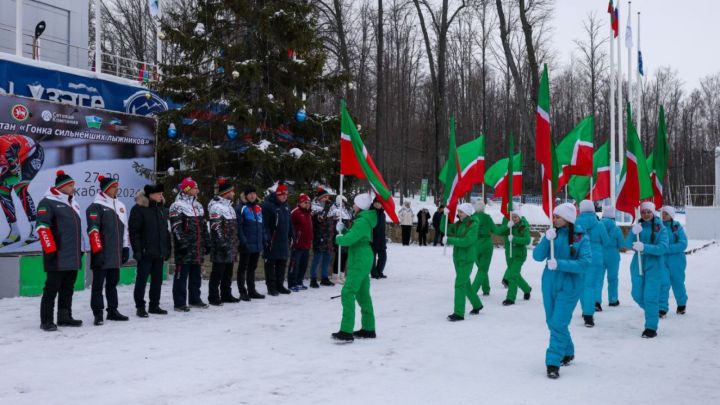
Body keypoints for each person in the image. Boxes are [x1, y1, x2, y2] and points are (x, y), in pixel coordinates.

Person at [533, 203, 592, 379]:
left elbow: (585, 263)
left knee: (558, 323)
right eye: (554, 216)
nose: (554, 219)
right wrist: (546, 239)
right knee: (552, 322)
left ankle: (552, 361)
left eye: (558, 216)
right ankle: (568, 350)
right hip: (550, 282)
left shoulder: (581, 238)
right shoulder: (553, 234)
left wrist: (560, 264)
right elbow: (537, 257)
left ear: (568, 218)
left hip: (570, 285)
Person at [36, 170, 84, 331]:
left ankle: (64, 316)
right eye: (70, 185)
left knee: (68, 288)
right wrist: (50, 250)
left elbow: (78, 230)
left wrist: (81, 249)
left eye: (73, 185)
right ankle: (46, 320)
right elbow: (42, 227)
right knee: (51, 289)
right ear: (61, 187)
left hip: (73, 255)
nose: (73, 188)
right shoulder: (47, 202)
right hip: (57, 256)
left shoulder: (73, 203)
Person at [332, 193, 377, 342]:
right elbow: (355, 235)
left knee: (348, 292)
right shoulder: (364, 220)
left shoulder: (362, 221)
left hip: (359, 258)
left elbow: (350, 240)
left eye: (355, 203)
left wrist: (339, 238)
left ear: (361, 206)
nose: (353, 206)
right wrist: (343, 229)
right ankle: (368, 328)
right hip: (363, 256)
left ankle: (346, 331)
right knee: (363, 294)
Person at [86, 175, 131, 325]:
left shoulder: (121, 206)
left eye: (117, 186)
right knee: (98, 285)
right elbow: (93, 231)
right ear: (106, 189)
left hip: (116, 253)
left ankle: (112, 310)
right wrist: (97, 251)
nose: (117, 189)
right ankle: (98, 313)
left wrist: (125, 247)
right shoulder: (95, 206)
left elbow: (125, 230)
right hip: (102, 253)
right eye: (114, 187)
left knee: (112, 283)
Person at [625, 201, 669, 338]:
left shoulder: (660, 228)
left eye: (648, 211)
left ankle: (650, 327)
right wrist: (633, 233)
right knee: (637, 294)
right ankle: (653, 311)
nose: (646, 214)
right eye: (643, 212)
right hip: (637, 265)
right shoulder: (638, 227)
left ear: (653, 212)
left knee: (650, 297)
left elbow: (663, 248)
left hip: (654, 266)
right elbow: (627, 244)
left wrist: (645, 247)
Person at [129, 183, 171, 317]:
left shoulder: (162, 209)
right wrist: (137, 251)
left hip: (159, 252)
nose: (161, 196)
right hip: (145, 252)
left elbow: (166, 231)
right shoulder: (138, 209)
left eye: (161, 194)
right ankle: (140, 306)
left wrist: (167, 248)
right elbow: (134, 232)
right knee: (142, 280)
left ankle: (154, 305)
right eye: (158, 194)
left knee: (157, 280)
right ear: (150, 195)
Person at [169, 177, 211, 311]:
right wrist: (182, 243)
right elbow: (176, 227)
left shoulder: (198, 206)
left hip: (197, 248)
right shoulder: (177, 206)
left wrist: (207, 242)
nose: (197, 190)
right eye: (194, 187)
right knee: (181, 276)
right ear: (187, 189)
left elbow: (203, 226)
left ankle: (195, 299)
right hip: (184, 248)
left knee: (196, 276)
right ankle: (179, 303)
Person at [0, 134, 44, 245]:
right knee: (2, 191)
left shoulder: (8, 152)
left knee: (20, 187)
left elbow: (16, 177)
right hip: (17, 155)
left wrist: (4, 181)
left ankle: (36, 229)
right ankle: (14, 232)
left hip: (33, 154)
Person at [442, 203, 483, 321]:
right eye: (458, 211)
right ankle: (477, 304)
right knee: (466, 283)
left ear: (468, 213)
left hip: (467, 258)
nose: (458, 214)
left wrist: (450, 240)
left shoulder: (473, 224)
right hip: (458, 258)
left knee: (460, 283)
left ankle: (459, 313)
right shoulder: (459, 224)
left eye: (461, 212)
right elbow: (443, 228)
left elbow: (467, 241)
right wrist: (444, 215)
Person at [575, 200, 609, 327]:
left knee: (582, 285)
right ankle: (589, 314)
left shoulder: (576, 223)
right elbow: (606, 241)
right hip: (596, 258)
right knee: (590, 286)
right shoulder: (599, 224)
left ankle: (585, 310)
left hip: (581, 257)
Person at [207, 178, 240, 306]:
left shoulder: (230, 207)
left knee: (228, 273)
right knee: (217, 273)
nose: (233, 193)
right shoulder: (216, 207)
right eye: (232, 191)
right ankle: (213, 296)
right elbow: (216, 227)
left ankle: (226, 294)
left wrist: (234, 243)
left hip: (231, 246)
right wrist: (222, 243)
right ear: (226, 192)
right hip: (220, 247)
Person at [494, 210, 532, 305]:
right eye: (512, 217)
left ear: (519, 217)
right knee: (515, 274)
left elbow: (527, 240)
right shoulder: (509, 226)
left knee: (513, 275)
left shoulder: (523, 226)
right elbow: (497, 231)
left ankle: (510, 298)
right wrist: (507, 226)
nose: (514, 219)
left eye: (516, 217)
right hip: (509, 255)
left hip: (519, 255)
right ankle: (527, 289)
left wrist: (514, 239)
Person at [262, 183, 293, 295]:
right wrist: (267, 238)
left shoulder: (286, 206)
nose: (284, 197)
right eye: (282, 195)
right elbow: (264, 224)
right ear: (277, 194)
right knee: (270, 264)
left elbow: (289, 223)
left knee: (282, 263)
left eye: (286, 195)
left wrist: (292, 235)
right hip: (272, 240)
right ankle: (271, 287)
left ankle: (279, 285)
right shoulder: (268, 206)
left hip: (283, 240)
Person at [235, 185, 266, 300]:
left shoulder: (259, 208)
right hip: (246, 244)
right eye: (250, 193)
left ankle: (252, 290)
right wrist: (243, 242)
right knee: (242, 268)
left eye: (254, 193)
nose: (253, 195)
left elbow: (262, 226)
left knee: (252, 268)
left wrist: (264, 239)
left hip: (257, 244)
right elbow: (239, 227)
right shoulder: (241, 208)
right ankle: (243, 292)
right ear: (245, 195)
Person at [659, 206, 688, 316]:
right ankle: (662, 308)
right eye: (662, 213)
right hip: (662, 260)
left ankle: (681, 304)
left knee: (678, 283)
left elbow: (683, 244)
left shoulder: (676, 227)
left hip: (676, 261)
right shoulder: (658, 226)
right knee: (663, 283)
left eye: (666, 214)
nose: (664, 216)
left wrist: (667, 248)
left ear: (671, 215)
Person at [598, 205, 624, 308]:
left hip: (600, 254)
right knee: (613, 278)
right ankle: (613, 299)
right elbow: (622, 244)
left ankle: (596, 301)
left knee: (598, 279)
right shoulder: (616, 229)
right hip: (613, 255)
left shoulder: (598, 226)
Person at [309, 188, 335, 287]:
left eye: (328, 196)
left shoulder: (329, 206)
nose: (327, 198)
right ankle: (313, 279)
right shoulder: (315, 207)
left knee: (327, 258)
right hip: (319, 236)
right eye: (325, 197)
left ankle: (324, 278)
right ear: (321, 198)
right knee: (317, 258)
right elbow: (320, 219)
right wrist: (327, 208)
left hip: (328, 237)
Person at [289, 193, 313, 291]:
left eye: (309, 203)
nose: (307, 204)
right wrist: (292, 239)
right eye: (305, 202)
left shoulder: (309, 213)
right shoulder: (295, 212)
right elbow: (290, 226)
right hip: (297, 244)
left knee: (303, 265)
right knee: (294, 265)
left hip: (306, 244)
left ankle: (299, 281)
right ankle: (291, 283)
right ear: (300, 203)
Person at [471, 201, 496, 296]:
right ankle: (473, 290)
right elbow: (496, 230)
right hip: (486, 244)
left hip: (474, 245)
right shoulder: (487, 218)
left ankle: (486, 288)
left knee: (481, 268)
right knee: (483, 269)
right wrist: (507, 228)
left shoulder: (472, 218)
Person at [371, 198, 388, 279]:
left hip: (381, 239)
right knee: (372, 258)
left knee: (383, 257)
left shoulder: (383, 214)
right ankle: (374, 273)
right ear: (373, 203)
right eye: (376, 203)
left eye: (379, 203)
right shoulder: (371, 212)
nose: (378, 204)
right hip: (372, 239)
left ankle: (379, 271)